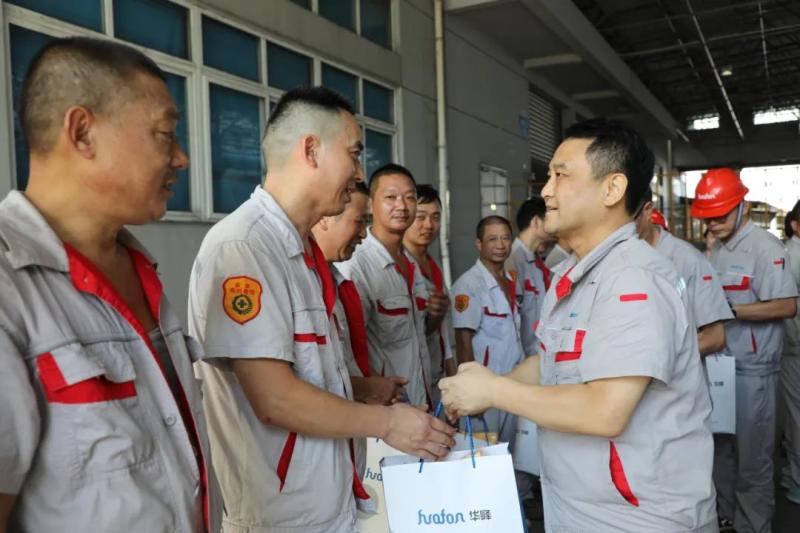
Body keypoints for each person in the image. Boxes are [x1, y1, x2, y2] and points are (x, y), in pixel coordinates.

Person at [188, 88, 455, 533]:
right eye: (353, 154)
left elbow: (308, 374)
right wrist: (387, 423)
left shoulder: (305, 254)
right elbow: (274, 399)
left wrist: (362, 388)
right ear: (311, 150)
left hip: (329, 503)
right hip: (283, 518)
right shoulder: (244, 246)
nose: (358, 173)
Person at [440, 118, 717, 531]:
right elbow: (551, 360)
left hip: (635, 518)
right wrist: (485, 387)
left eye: (561, 175)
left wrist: (494, 391)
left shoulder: (633, 279)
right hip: (579, 505)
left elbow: (605, 411)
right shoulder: (576, 272)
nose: (546, 191)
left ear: (612, 189)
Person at [0, 37, 222, 532]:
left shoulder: (140, 270)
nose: (181, 158)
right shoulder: (11, 291)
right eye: (165, 134)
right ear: (82, 133)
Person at [691, 167, 797, 532]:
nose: (713, 223)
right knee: (720, 449)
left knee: (753, 458)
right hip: (719, 365)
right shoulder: (717, 249)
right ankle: (727, 516)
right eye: (707, 217)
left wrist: (730, 310)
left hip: (753, 371)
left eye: (720, 215)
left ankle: (753, 525)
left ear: (744, 207)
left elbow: (786, 306)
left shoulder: (766, 249)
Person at [311, 181, 409, 487]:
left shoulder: (336, 282)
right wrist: (369, 390)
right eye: (359, 222)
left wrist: (376, 391)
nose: (364, 234)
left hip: (351, 443)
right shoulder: (309, 285)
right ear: (325, 218)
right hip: (318, 458)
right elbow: (299, 385)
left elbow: (345, 362)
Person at [337, 164, 434, 409]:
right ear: (370, 204)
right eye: (391, 197)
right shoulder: (357, 264)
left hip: (421, 400)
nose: (401, 206)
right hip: (387, 410)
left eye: (409, 197)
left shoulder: (410, 262)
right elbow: (348, 352)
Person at [450, 216, 524, 443]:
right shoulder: (468, 285)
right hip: (483, 388)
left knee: (510, 452)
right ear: (479, 244)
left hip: (512, 384)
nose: (500, 245)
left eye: (505, 238)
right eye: (492, 239)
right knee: (482, 452)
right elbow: (463, 341)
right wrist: (469, 390)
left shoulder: (510, 279)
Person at [635, 194, 732, 356]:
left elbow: (715, 337)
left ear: (647, 211)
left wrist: (658, 361)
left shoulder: (688, 260)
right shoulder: (613, 258)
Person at [403, 184, 456, 405]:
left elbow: (442, 330)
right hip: (408, 380)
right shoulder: (399, 265)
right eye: (421, 217)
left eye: (435, 217)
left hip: (436, 374)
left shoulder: (433, 267)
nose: (429, 225)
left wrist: (451, 368)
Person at [506, 196, 552, 358]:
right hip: (523, 356)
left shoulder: (536, 262)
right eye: (549, 219)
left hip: (538, 351)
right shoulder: (512, 260)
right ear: (536, 222)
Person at [782, 200, 800, 504]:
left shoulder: (791, 254)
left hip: (794, 345)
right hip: (793, 344)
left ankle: (795, 477)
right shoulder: (790, 255)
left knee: (795, 413)